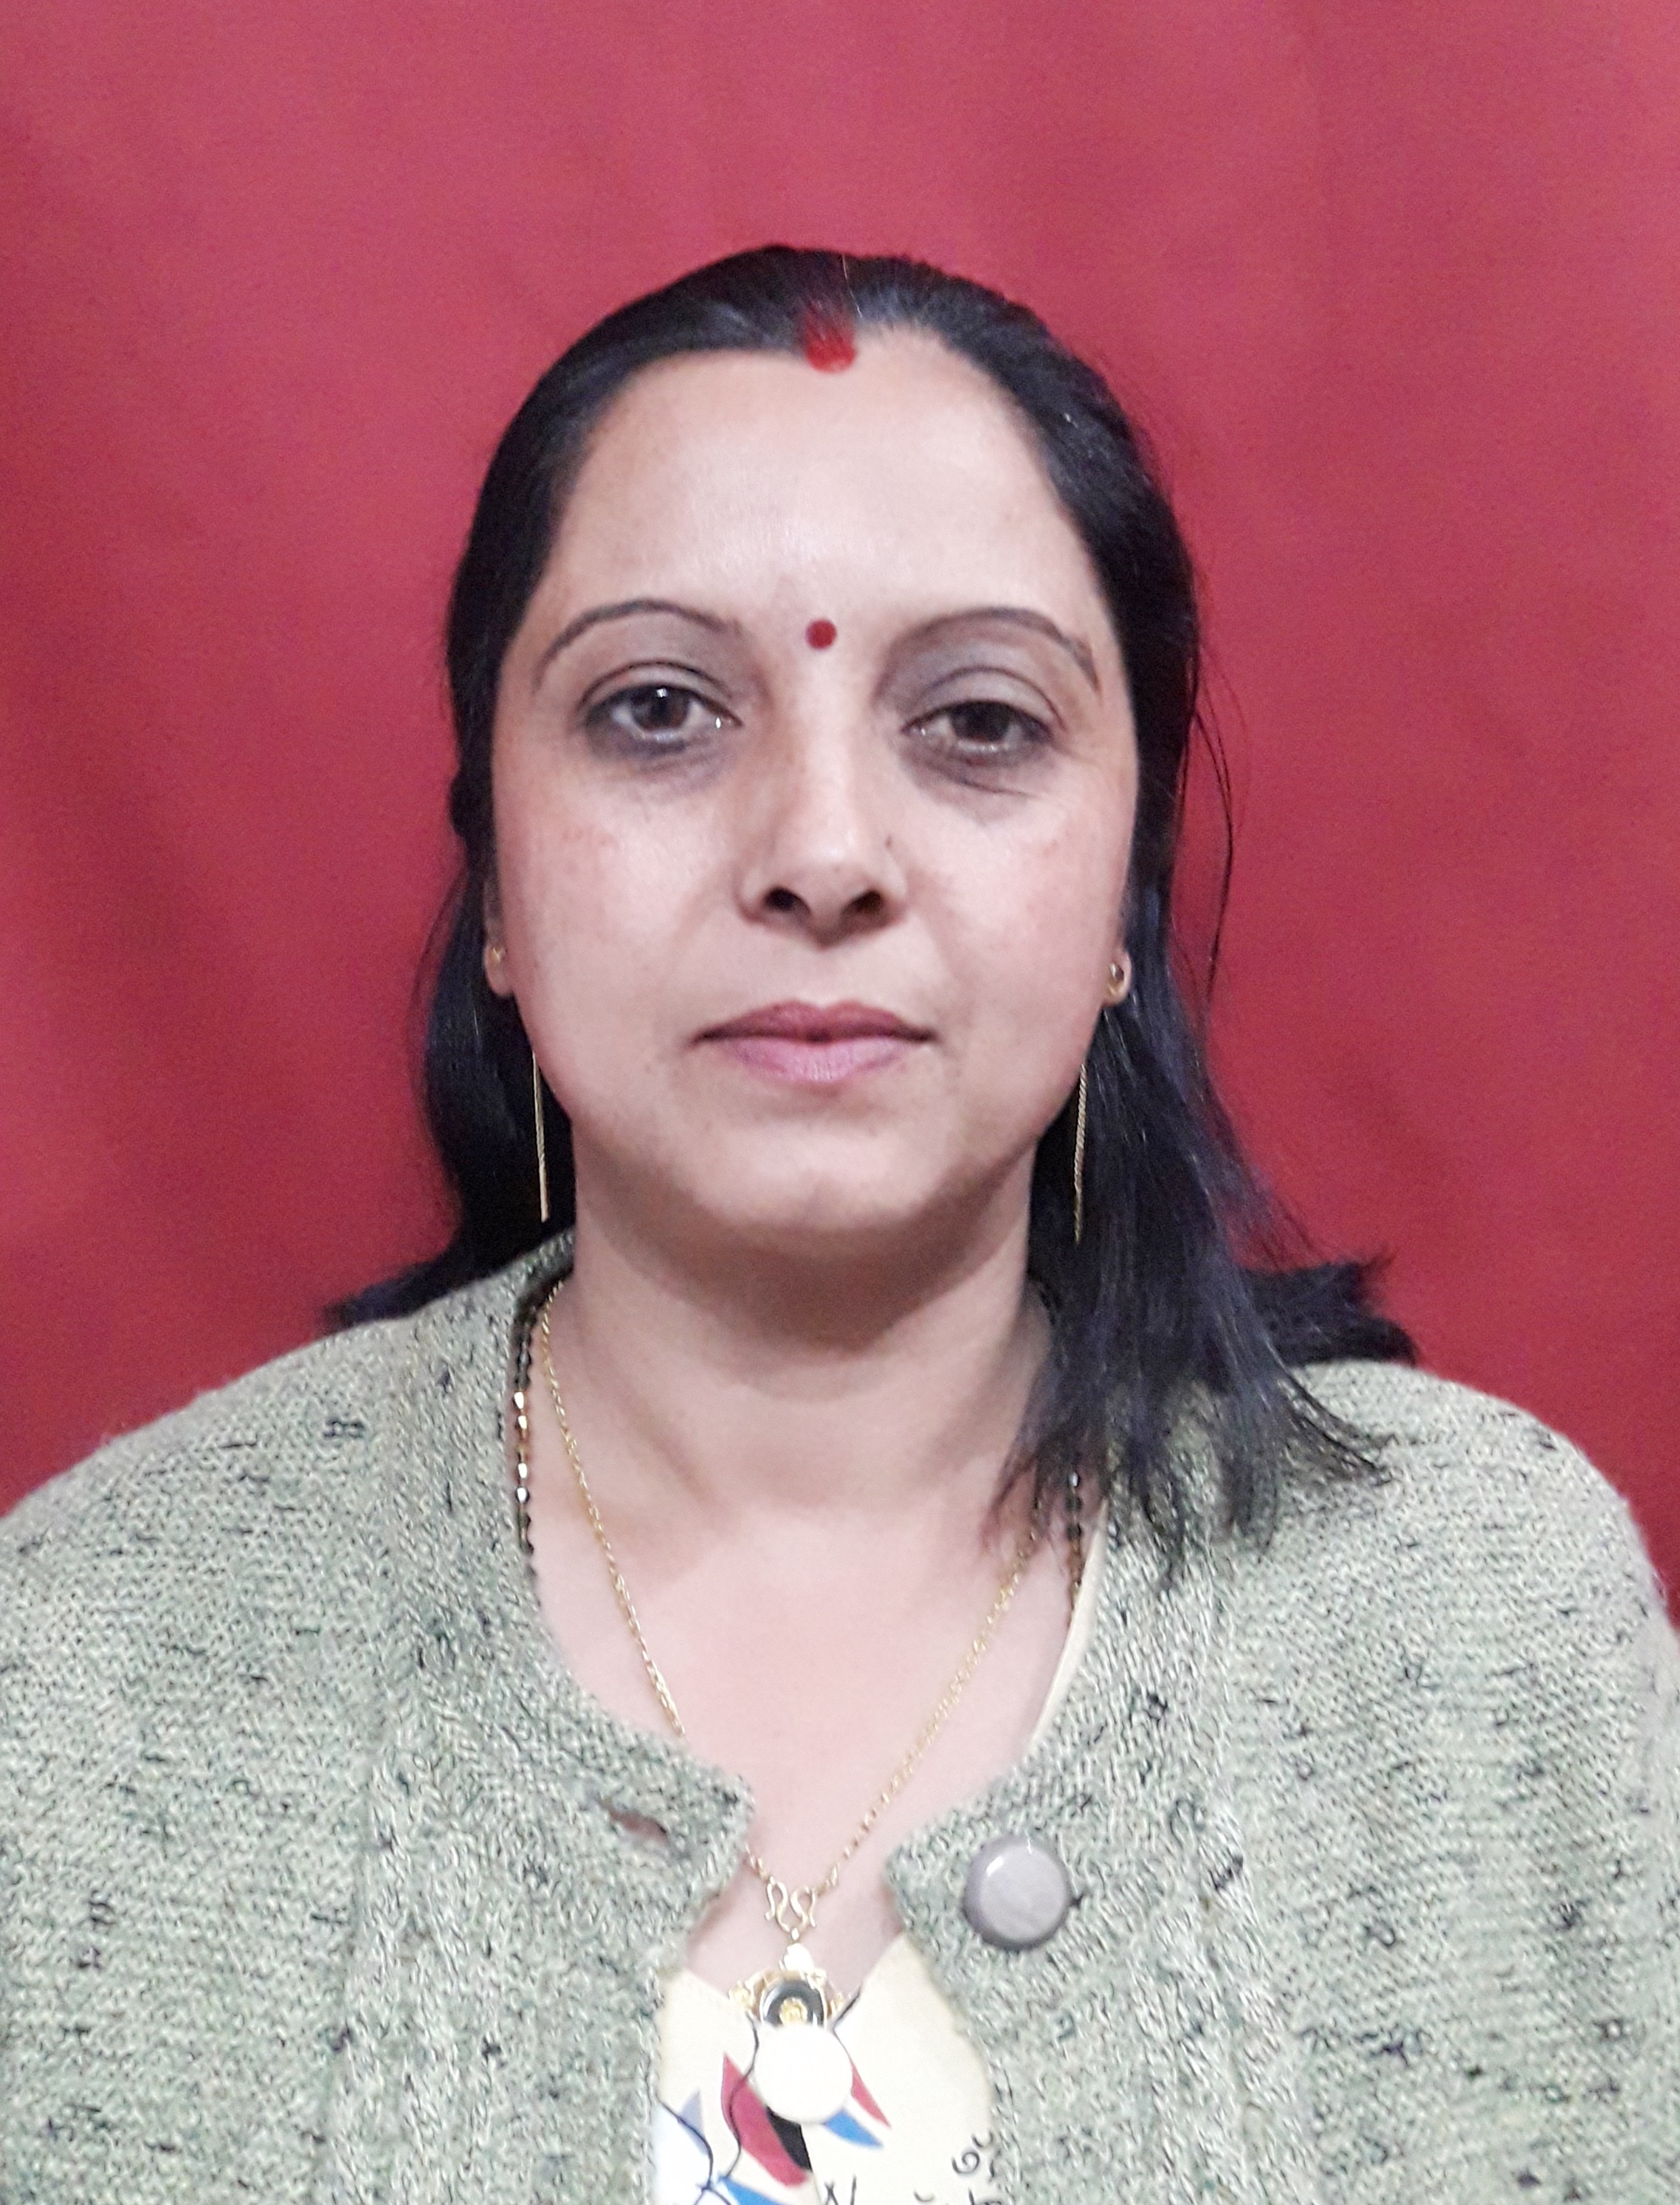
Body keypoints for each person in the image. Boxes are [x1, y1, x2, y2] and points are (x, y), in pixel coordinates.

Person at [2, 247, 1675, 2204]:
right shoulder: (89, 1676)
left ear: (1126, 893)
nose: (819, 853)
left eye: (976, 722)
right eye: (655, 709)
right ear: (497, 891)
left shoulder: (1484, 1629)